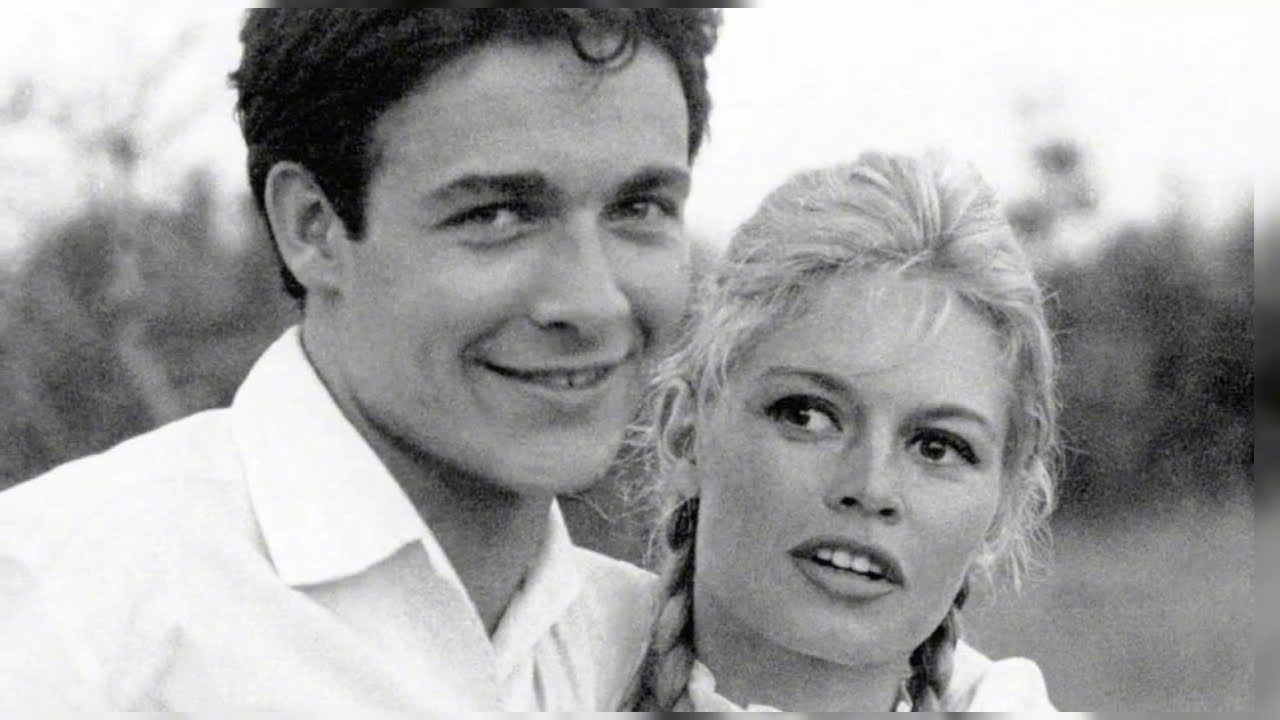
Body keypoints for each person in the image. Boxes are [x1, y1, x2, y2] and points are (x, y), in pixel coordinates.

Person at [0, 9, 719, 710]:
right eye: (496, 214)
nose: (592, 302)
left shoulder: (656, 652)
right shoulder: (76, 607)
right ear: (311, 228)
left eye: (640, 208)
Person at [639, 151, 1061, 711]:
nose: (870, 487)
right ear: (683, 434)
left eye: (937, 447)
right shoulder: (542, 670)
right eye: (807, 416)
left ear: (1005, 506)